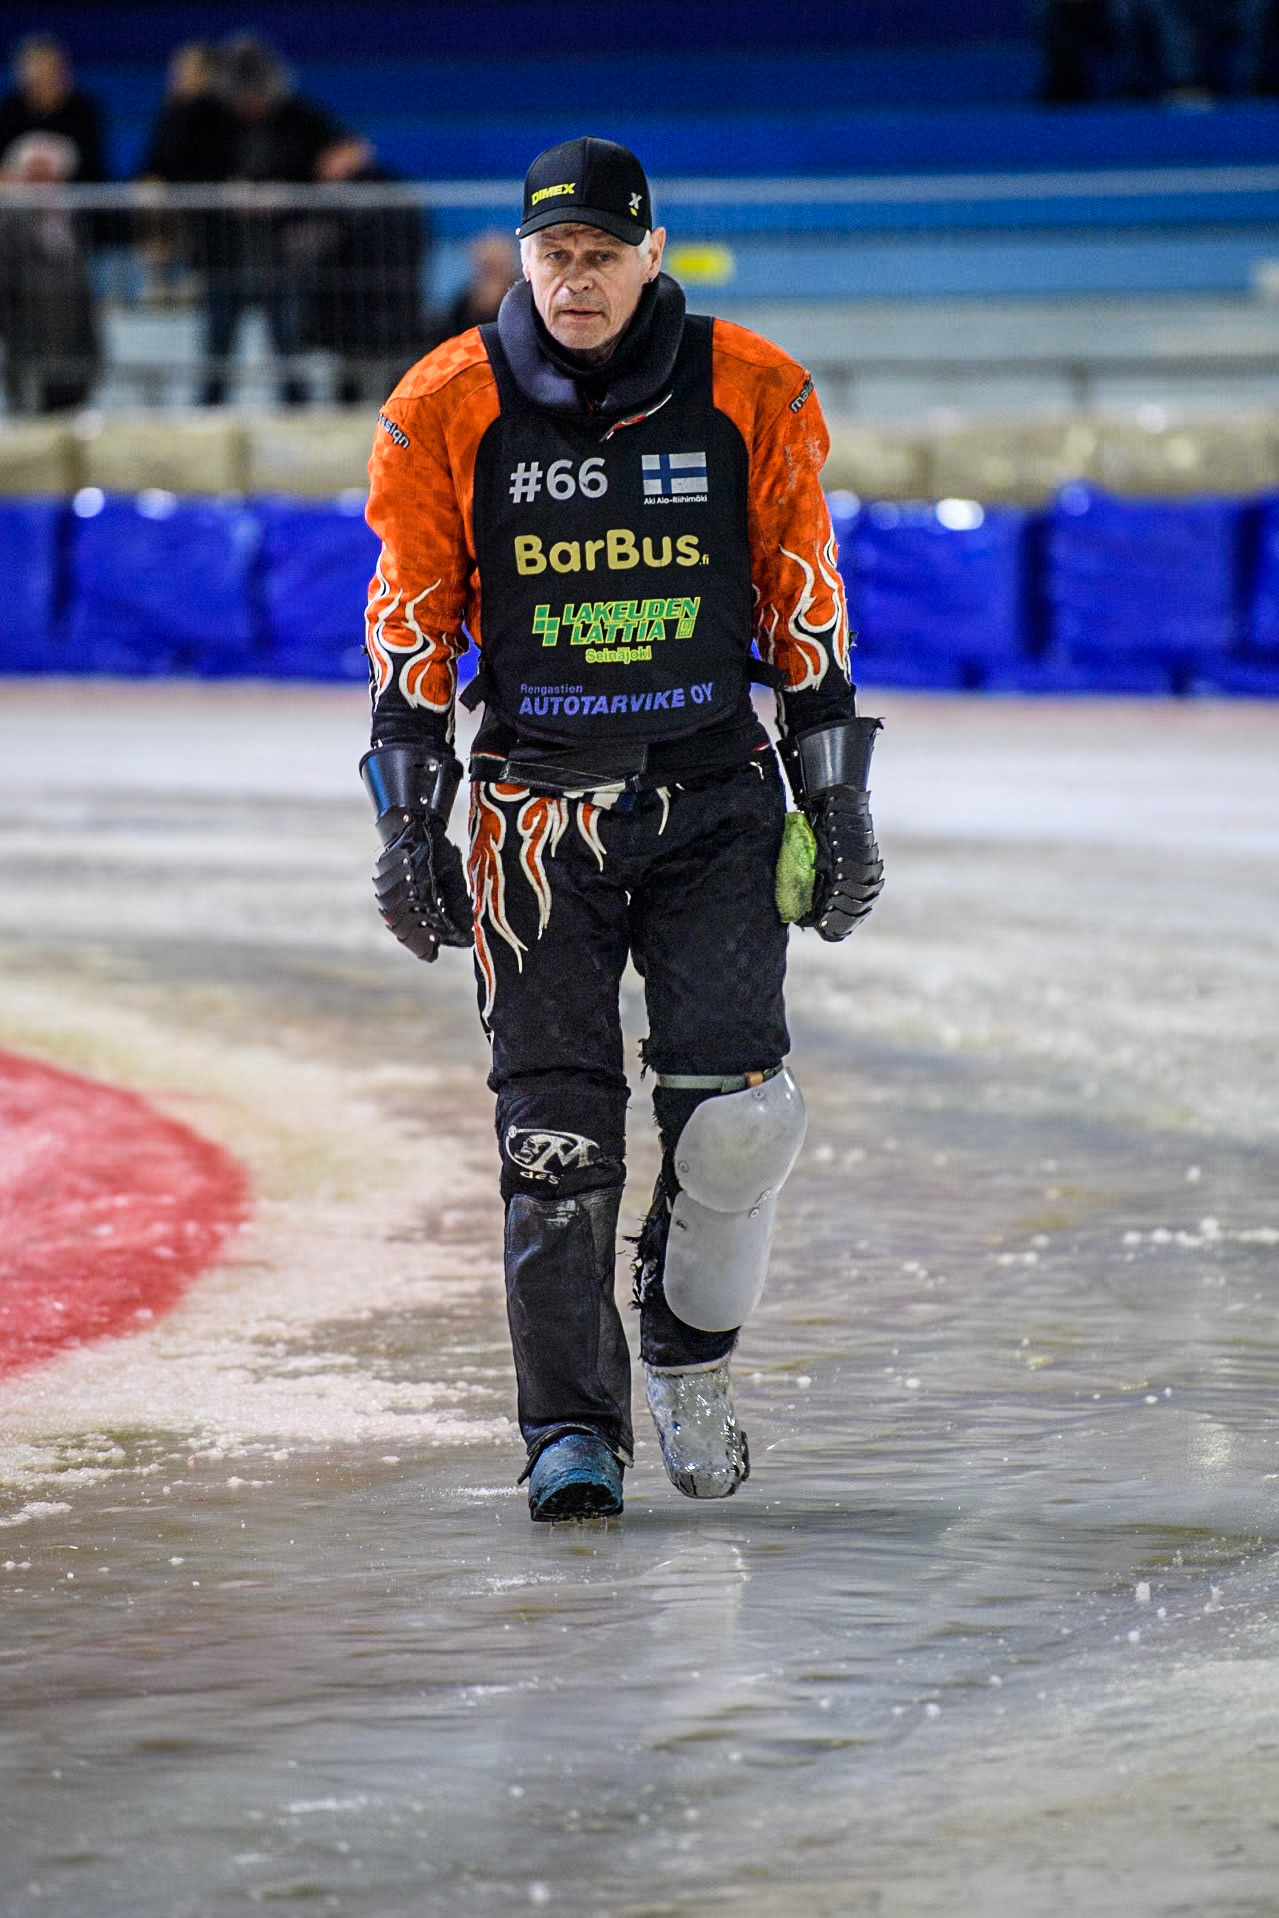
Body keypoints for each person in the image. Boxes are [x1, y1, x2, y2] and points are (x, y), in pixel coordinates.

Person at [360, 137, 883, 1523]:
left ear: (653, 253)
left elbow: (800, 585)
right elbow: (410, 615)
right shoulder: (443, 402)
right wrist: (408, 814)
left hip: (714, 795)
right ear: (518, 259)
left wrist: (836, 798)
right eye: (552, 253)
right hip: (535, 818)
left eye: (600, 251)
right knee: (553, 1140)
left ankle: (687, 1358)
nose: (574, 277)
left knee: (736, 1124)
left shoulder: (754, 387)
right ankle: (566, 1432)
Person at [198, 36, 349, 406]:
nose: (250, 102)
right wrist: (224, 195)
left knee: (289, 345)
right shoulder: (206, 119)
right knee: (217, 350)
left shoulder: (299, 115)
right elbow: (175, 163)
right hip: (225, 254)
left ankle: (297, 415)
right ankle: (208, 416)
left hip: (282, 255)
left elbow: (348, 150)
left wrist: (292, 194)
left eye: (257, 92)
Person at [304, 136, 428, 406]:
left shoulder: (351, 200)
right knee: (397, 403)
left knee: (355, 397)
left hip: (359, 314)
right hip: (391, 313)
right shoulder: (398, 191)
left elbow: (338, 252)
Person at [0, 130, 99, 413]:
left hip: (75, 349)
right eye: (33, 174)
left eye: (47, 174)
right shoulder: (8, 223)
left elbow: (85, 289)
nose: (40, 183)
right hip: (27, 348)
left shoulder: (73, 218)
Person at [0, 35, 105, 183]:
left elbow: (94, 174)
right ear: (22, 80)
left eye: (52, 74)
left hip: (73, 203)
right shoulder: (9, 110)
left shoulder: (83, 111)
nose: (47, 83)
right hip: (16, 203)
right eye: (39, 79)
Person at [425, 230, 519, 349]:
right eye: (486, 268)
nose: (490, 275)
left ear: (509, 270)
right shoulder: (462, 306)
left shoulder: (523, 304)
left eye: (496, 267)